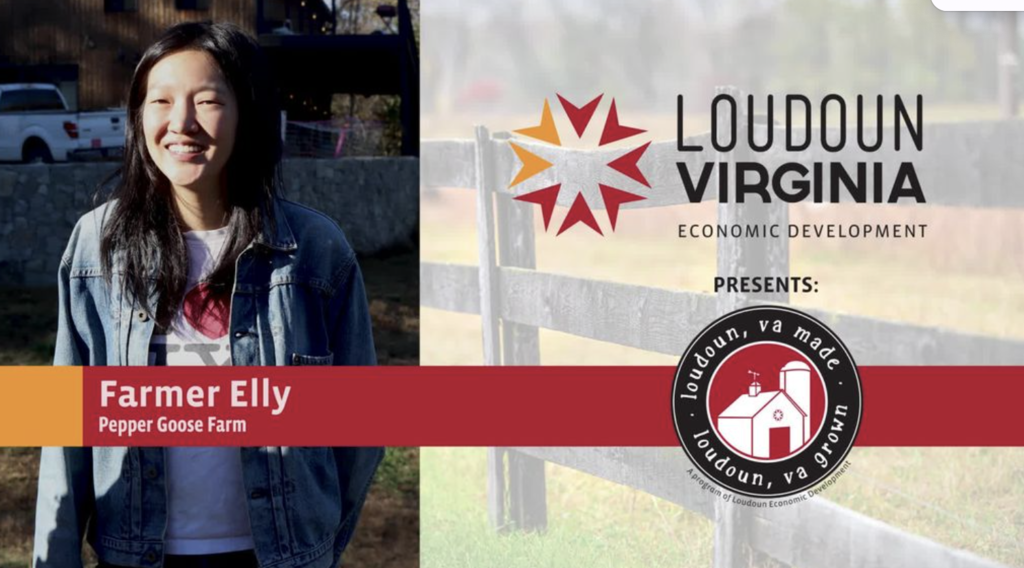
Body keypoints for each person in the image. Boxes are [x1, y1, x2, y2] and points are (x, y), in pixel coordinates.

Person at [33, 22, 382, 568]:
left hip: (276, 557)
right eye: (161, 101)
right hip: (136, 556)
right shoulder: (96, 246)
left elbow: (361, 427)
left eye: (207, 101)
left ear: (247, 112)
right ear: (139, 117)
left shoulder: (314, 250)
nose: (181, 123)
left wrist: (318, 546)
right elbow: (66, 428)